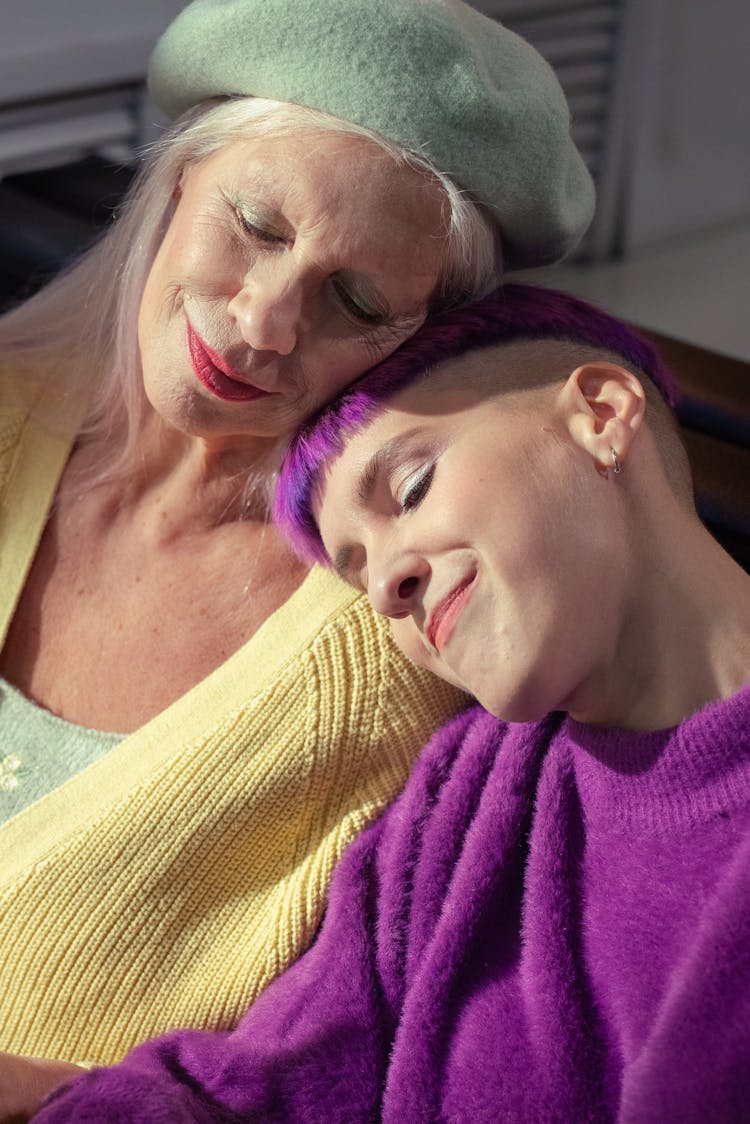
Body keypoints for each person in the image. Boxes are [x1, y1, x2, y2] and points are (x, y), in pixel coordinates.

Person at [0, 0, 595, 1111]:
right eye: (259, 226)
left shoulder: (397, 647)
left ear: (413, 343)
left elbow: (332, 1067)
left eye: (356, 300)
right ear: (180, 180)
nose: (266, 322)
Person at [32, 284, 750, 1122]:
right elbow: (255, 1089)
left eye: (410, 489)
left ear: (600, 413)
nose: (388, 586)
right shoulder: (467, 798)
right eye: (355, 570)